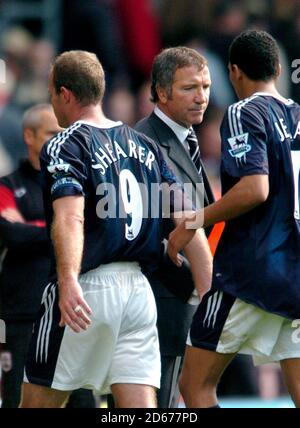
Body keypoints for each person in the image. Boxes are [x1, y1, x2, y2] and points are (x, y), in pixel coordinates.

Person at [20, 51, 211, 408]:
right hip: (139, 293)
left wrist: (68, 280)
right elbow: (191, 217)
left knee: (37, 402)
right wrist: (208, 290)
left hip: (88, 287)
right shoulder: (147, 146)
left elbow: (71, 217)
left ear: (65, 94)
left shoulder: (67, 143)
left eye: (51, 94)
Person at [167, 30, 300, 408]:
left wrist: (193, 221)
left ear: (234, 72)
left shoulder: (244, 111)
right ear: (277, 67)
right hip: (295, 274)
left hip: (250, 276)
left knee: (194, 387)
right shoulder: (298, 115)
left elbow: (255, 189)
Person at [0, 103, 96, 408]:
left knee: (84, 400)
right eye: (52, 133)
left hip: (73, 310)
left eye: (63, 133)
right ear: (29, 136)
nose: (60, 140)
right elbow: (11, 235)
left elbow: (93, 231)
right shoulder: (7, 186)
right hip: (22, 314)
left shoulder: (78, 183)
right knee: (18, 398)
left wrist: (35, 227)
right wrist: (64, 230)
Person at [135, 46, 214, 407]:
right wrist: (200, 291)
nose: (201, 98)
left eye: (206, 87)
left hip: (186, 299)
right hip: (164, 301)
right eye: (189, 88)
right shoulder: (145, 143)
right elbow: (158, 231)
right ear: (162, 91)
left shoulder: (188, 138)